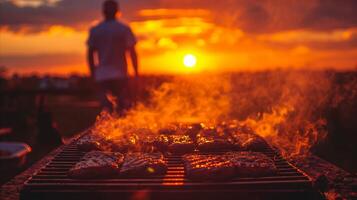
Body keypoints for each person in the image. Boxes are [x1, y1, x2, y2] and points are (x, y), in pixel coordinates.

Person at [87, 0, 138, 113]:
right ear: (117, 11)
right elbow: (132, 53)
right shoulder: (123, 29)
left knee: (106, 111)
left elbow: (90, 54)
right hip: (120, 76)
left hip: (102, 77)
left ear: (103, 12)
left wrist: (93, 75)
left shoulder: (96, 30)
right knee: (123, 110)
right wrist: (136, 74)